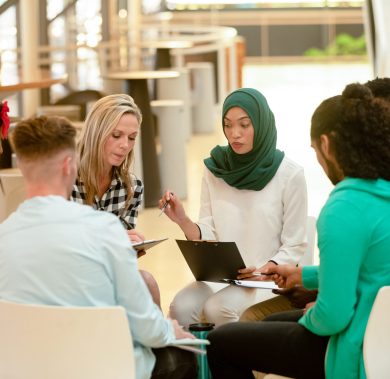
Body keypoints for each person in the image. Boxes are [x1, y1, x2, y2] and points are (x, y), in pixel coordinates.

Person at [206, 82, 390, 379]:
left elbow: (333, 316)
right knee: (264, 327)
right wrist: (304, 275)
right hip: (379, 335)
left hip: (349, 348)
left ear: (327, 145)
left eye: (315, 149)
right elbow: (367, 269)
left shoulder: (343, 207)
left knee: (219, 342)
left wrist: (310, 318)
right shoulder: (383, 194)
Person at [0, 115, 197, 379]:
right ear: (69, 165)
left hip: (25, 369)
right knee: (183, 356)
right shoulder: (105, 230)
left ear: (21, 168)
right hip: (101, 368)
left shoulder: (5, 236)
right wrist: (170, 329)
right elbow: (147, 328)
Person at [240, 76, 390, 323]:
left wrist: (317, 304)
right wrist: (304, 277)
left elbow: (341, 307)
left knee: (243, 328)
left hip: (358, 329)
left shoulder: (347, 204)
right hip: (361, 317)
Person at [159, 87, 308, 326]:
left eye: (244, 125)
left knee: (219, 308)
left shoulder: (290, 175)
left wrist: (265, 270)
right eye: (227, 125)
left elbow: (294, 244)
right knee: (181, 306)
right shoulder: (215, 169)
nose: (234, 134)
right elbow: (209, 229)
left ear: (260, 125)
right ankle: (196, 365)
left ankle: (229, 364)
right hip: (222, 277)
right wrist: (182, 220)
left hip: (265, 279)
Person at [70, 94, 161, 306]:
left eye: (131, 138)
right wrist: (111, 241)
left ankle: (158, 339)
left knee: (148, 282)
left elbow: (119, 259)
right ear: (96, 133)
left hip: (108, 273)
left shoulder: (131, 187)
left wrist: (129, 249)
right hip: (72, 275)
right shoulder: (67, 180)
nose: (125, 145)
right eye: (116, 135)